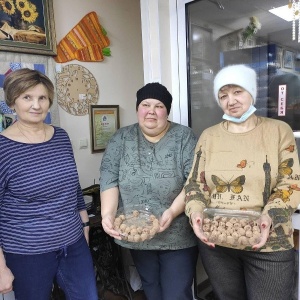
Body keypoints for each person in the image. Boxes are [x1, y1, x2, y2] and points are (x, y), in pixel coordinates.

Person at [184, 64, 300, 300]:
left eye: (237, 91)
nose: (231, 100)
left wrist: (269, 217)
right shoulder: (209, 136)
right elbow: (196, 184)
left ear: (251, 92)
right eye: (223, 95)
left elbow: (291, 184)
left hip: (270, 244)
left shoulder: (278, 131)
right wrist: (195, 212)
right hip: (217, 243)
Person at [0, 68, 98, 300]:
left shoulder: (61, 137)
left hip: (73, 243)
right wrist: (1, 267)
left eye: (42, 98)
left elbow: (73, 187)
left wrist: (84, 227)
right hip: (27, 252)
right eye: (27, 97)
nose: (36, 105)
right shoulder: (3, 149)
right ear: (12, 102)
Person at [100, 82, 198, 300]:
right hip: (137, 233)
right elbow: (109, 178)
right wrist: (108, 214)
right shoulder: (121, 138)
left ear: (167, 111)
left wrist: (172, 212)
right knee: (151, 287)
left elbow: (194, 182)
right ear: (138, 109)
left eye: (159, 105)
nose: (151, 111)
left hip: (177, 235)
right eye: (145, 104)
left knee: (176, 294)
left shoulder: (185, 137)